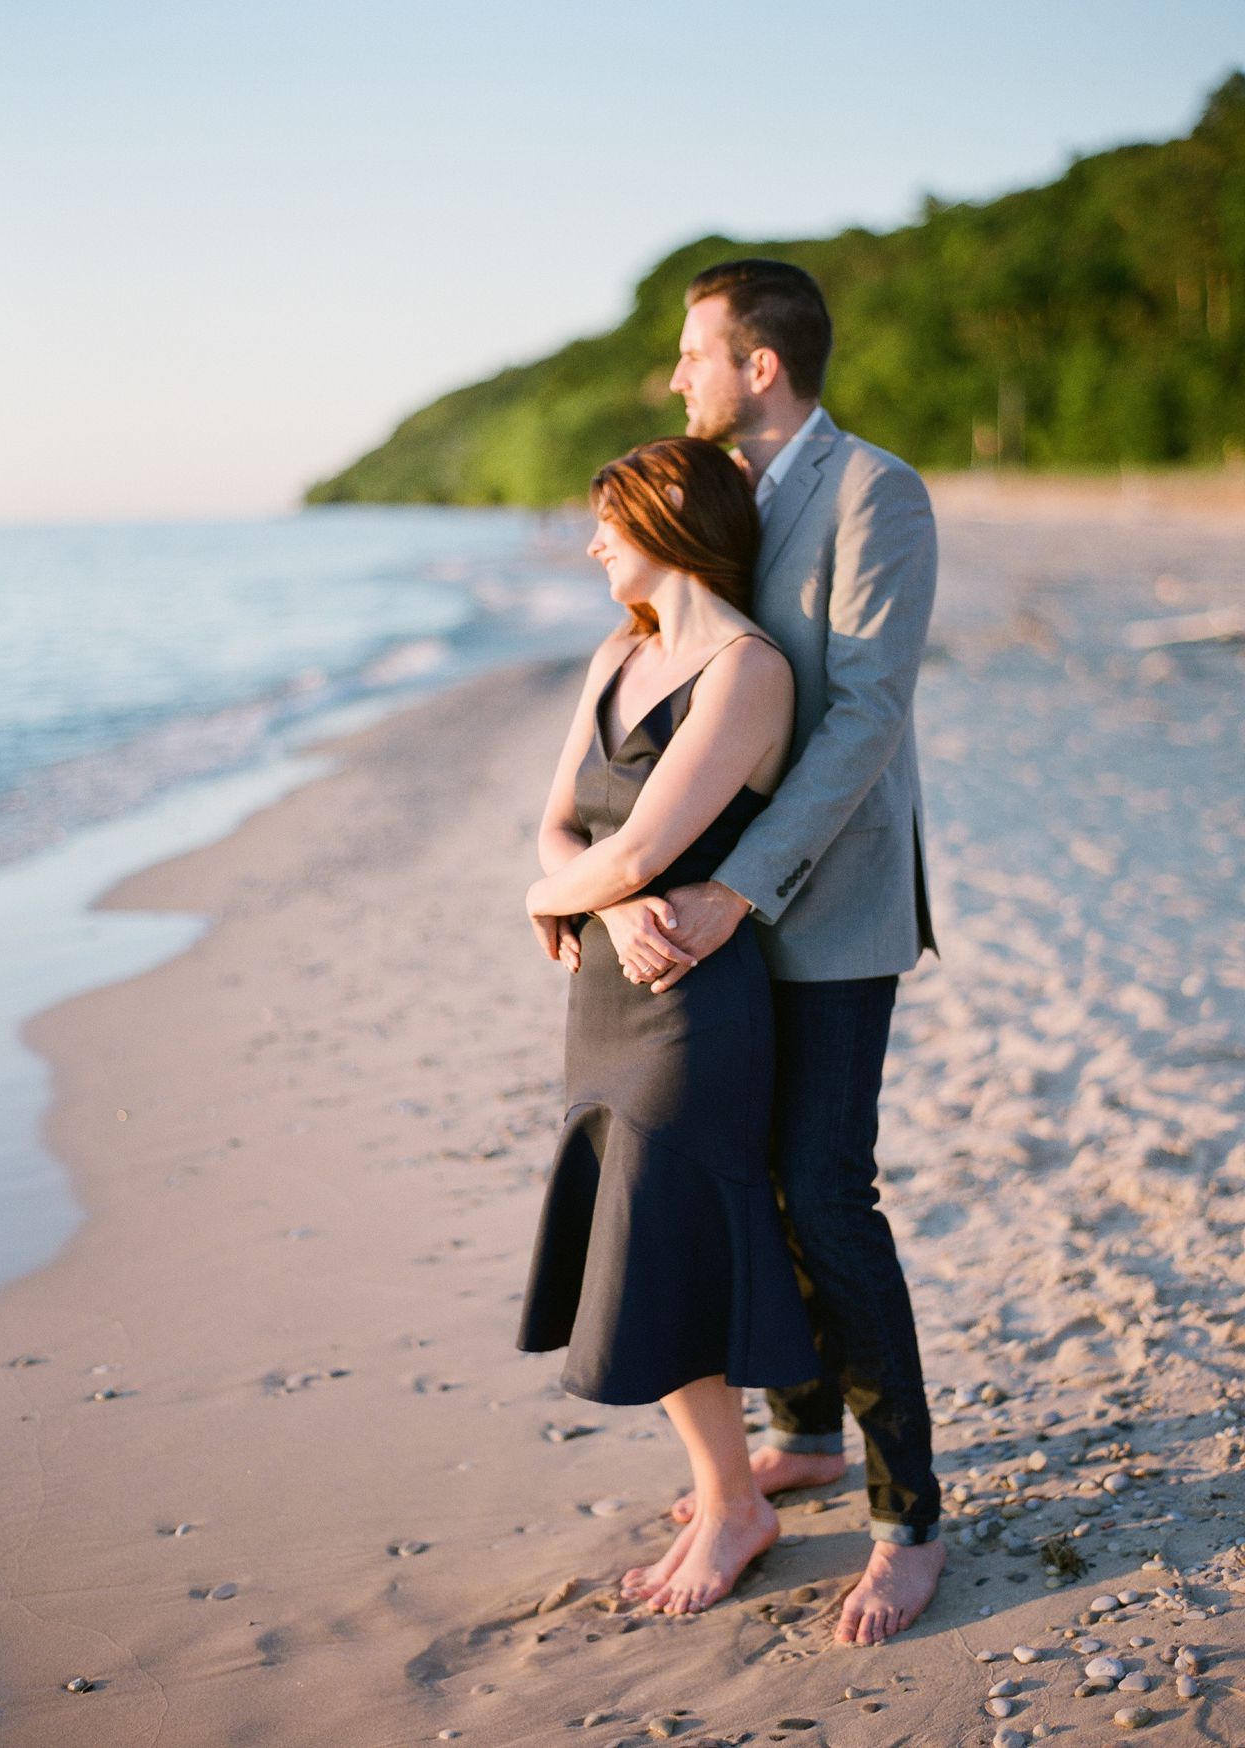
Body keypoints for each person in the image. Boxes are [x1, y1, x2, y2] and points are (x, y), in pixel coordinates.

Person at [580, 259, 946, 1645]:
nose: (677, 377)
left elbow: (865, 719)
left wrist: (735, 888)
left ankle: (909, 1516)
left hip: (828, 909)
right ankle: (804, 1432)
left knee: (825, 1191)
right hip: (711, 916)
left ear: (763, 365)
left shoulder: (877, 496)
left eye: (694, 354)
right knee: (749, 1178)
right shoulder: (723, 494)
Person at [517, 435, 821, 1617]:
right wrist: (591, 888)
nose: (593, 542)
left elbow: (630, 847)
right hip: (602, 993)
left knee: (667, 1234)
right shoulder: (614, 652)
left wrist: (549, 895)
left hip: (690, 1001)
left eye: (608, 521)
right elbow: (557, 823)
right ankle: (729, 1480)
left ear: (664, 522)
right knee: (638, 1234)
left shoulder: (749, 671)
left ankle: (736, 1500)